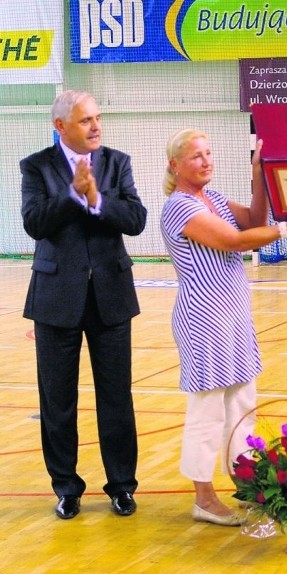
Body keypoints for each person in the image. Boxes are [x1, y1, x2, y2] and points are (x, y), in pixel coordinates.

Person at [160, 129, 287, 526]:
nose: (206, 161)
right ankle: (203, 497)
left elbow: (255, 219)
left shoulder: (215, 199)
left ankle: (247, 482)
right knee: (207, 409)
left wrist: (259, 173)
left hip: (235, 316)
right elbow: (237, 241)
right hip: (204, 318)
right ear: (175, 166)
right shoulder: (179, 206)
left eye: (209, 153)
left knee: (242, 403)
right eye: (196, 156)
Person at [20, 90, 147, 519]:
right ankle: (67, 488)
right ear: (60, 127)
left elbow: (136, 219)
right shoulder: (36, 166)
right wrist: (71, 196)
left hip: (111, 296)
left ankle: (122, 487)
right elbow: (35, 223)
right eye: (85, 120)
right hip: (56, 299)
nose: (96, 127)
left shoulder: (117, 162)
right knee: (57, 401)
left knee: (117, 398)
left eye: (98, 118)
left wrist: (96, 200)